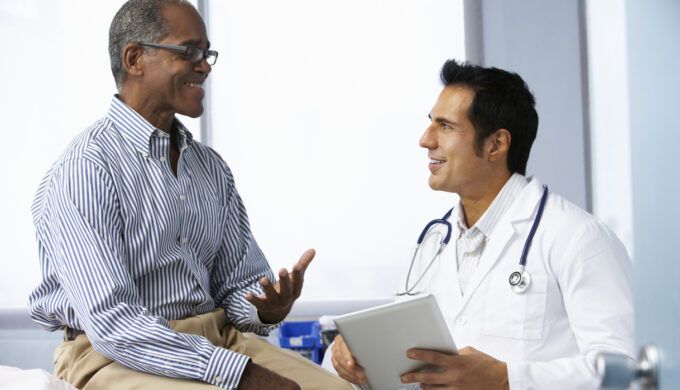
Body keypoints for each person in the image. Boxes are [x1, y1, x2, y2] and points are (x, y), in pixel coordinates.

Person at [27, 1, 353, 389]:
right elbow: (113, 323)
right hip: (115, 353)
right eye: (190, 52)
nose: (205, 66)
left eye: (207, 54)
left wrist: (267, 309)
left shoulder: (210, 168)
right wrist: (241, 373)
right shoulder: (86, 168)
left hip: (217, 341)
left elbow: (237, 284)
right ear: (135, 58)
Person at [328, 60, 634, 389]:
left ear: (495, 145)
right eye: (431, 123)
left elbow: (628, 371)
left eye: (445, 126)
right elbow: (408, 354)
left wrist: (507, 380)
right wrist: (349, 352)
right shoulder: (433, 243)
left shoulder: (577, 238)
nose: (425, 140)